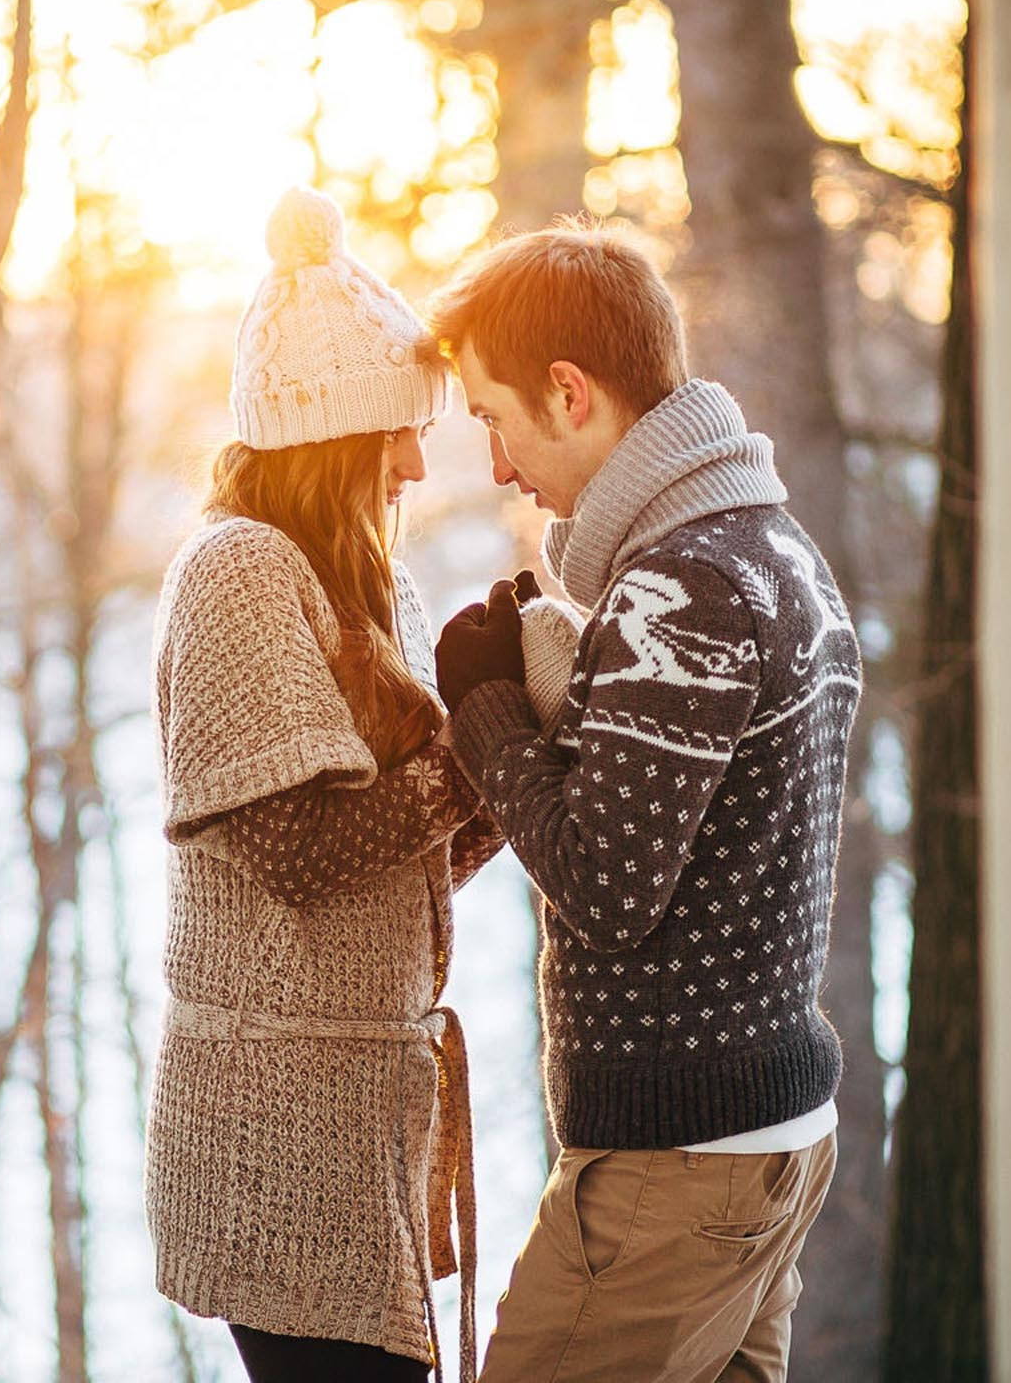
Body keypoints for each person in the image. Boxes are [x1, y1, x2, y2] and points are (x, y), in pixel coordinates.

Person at [427, 225, 861, 1383]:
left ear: (570, 394)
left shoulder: (687, 581)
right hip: (766, 1142)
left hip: (679, 1167)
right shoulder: (775, 550)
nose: (501, 465)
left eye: (492, 419)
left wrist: (482, 710)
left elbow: (610, 885)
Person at [146, 186, 497, 1383]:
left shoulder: (350, 588)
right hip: (274, 1132)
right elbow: (300, 854)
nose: (414, 459)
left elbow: (405, 859)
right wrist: (477, 748)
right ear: (337, 435)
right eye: (399, 427)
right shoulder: (239, 572)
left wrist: (523, 749)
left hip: (354, 1121)